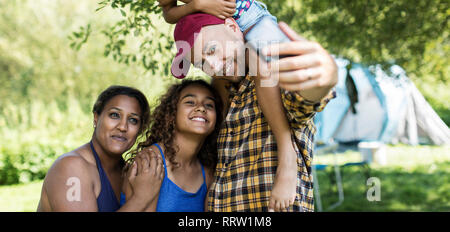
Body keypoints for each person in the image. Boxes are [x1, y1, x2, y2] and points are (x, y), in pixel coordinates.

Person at [144, 0, 300, 211]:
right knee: (219, 100)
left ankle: (287, 153)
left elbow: (226, 7)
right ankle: (219, 174)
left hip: (246, 21)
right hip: (211, 32)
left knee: (263, 65)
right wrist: (200, 1)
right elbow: (168, 15)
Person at [168, 13, 338, 211]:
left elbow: (305, 98)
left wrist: (326, 77)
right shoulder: (220, 102)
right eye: (201, 63)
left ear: (232, 27)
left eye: (212, 49)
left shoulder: (272, 78)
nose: (213, 66)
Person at [37, 85, 163, 212]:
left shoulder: (130, 172)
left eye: (133, 120)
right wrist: (141, 198)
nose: (123, 127)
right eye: (114, 115)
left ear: (140, 130)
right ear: (96, 118)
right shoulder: (71, 167)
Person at [127, 79, 223, 212]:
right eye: (190, 102)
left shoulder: (206, 173)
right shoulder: (150, 160)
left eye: (209, 105)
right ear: (172, 114)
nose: (201, 108)